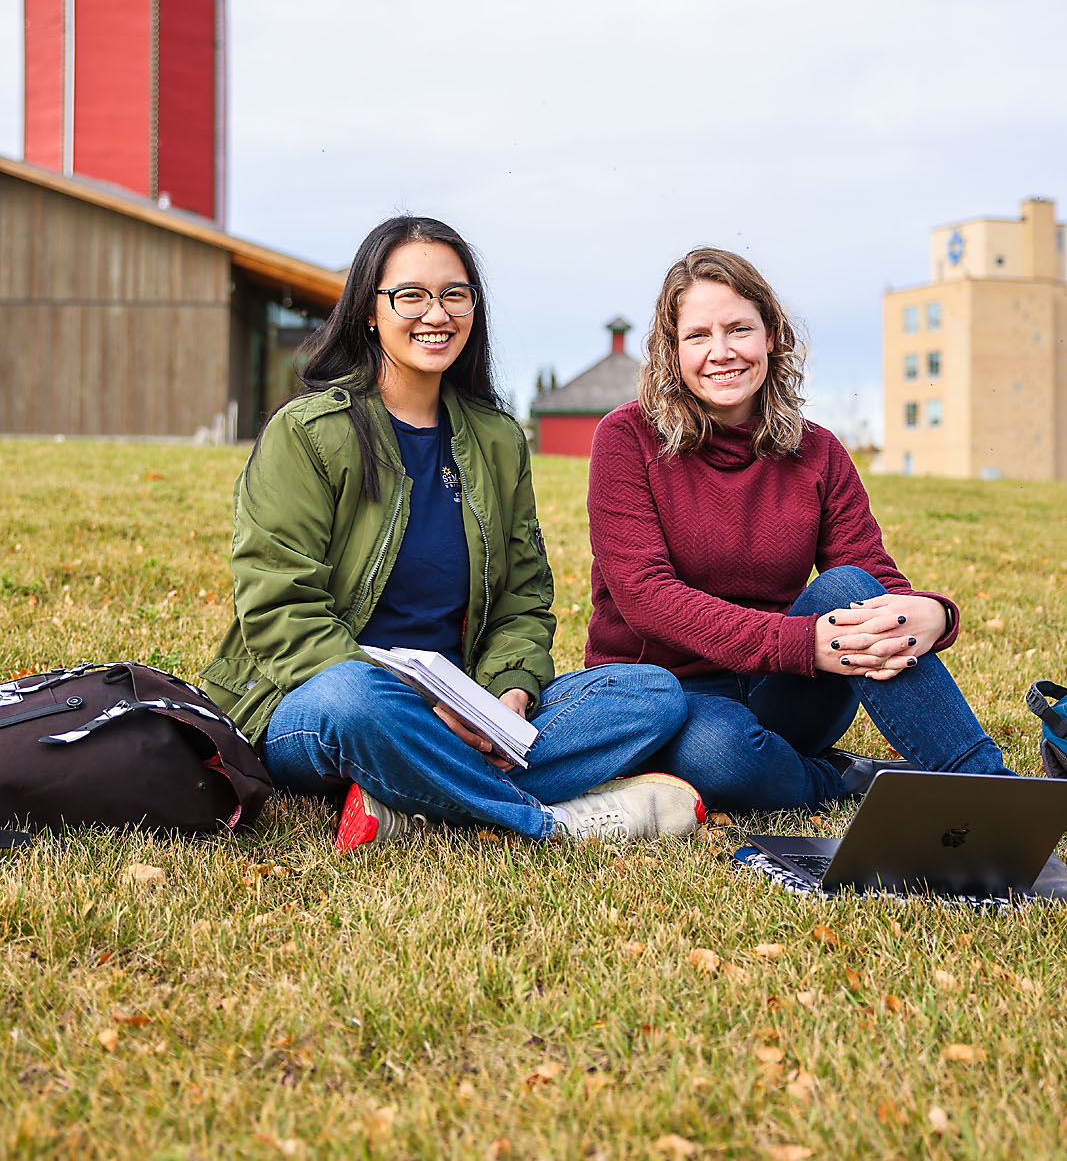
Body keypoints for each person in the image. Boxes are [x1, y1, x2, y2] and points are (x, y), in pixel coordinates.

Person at [201, 215, 703, 847]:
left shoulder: (496, 440)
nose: (435, 313)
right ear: (369, 312)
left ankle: (409, 804)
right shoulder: (307, 434)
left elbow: (522, 599)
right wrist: (416, 706)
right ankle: (545, 822)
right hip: (320, 702)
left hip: (463, 707)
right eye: (410, 295)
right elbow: (281, 611)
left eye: (454, 294)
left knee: (650, 692)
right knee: (357, 700)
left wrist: (508, 695)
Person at [584, 247, 1012, 812]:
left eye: (740, 329)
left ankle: (989, 790)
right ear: (671, 350)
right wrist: (802, 642)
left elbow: (868, 575)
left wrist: (934, 612)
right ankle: (843, 782)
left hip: (789, 683)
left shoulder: (818, 451)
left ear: (771, 337)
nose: (722, 352)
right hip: (671, 693)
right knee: (723, 757)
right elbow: (646, 598)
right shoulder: (627, 439)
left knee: (850, 588)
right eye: (698, 336)